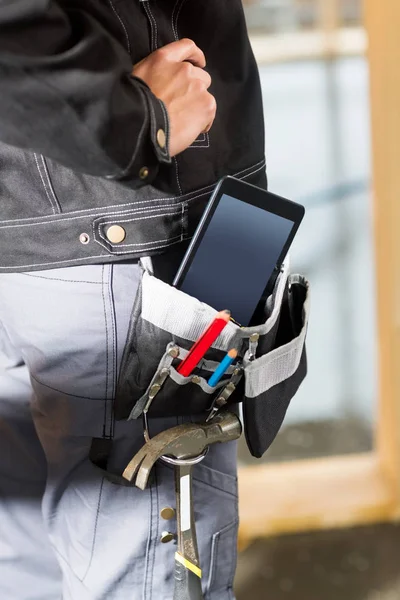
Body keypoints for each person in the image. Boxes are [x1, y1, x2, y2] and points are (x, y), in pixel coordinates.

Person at [0, 1, 267, 598]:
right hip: (128, 226)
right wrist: (134, 119)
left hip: (61, 223)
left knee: (27, 556)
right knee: (145, 569)